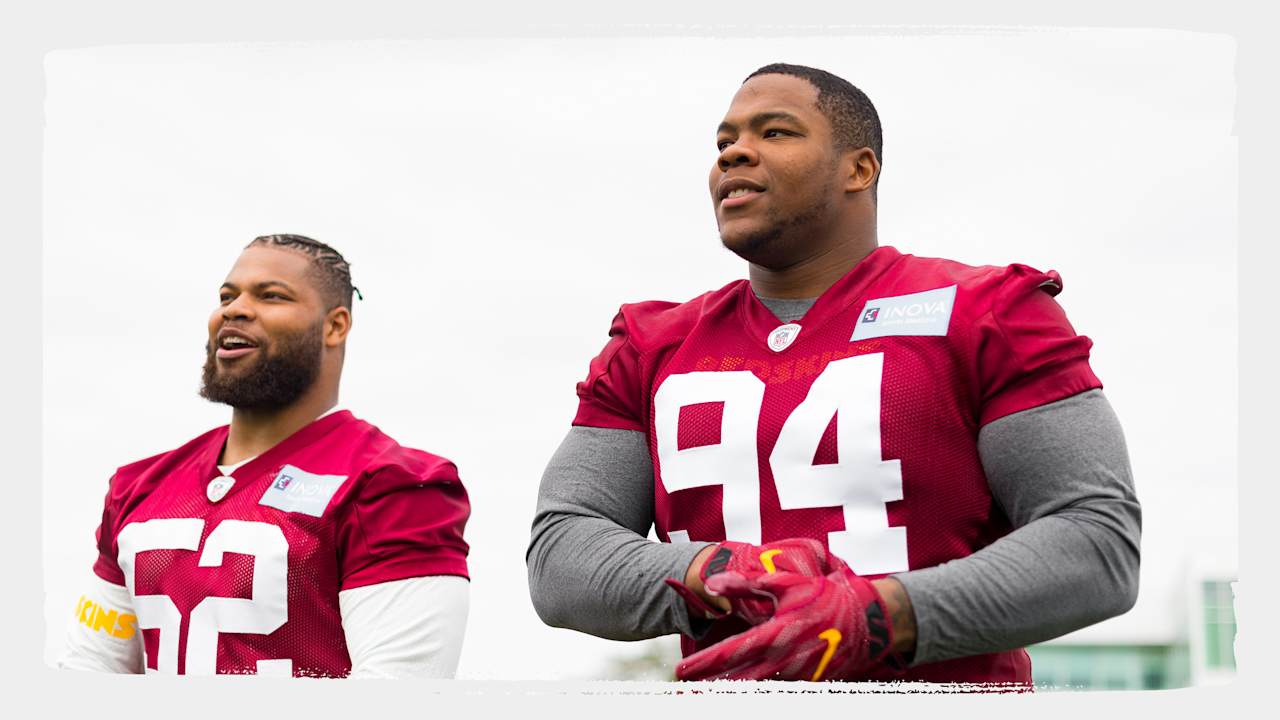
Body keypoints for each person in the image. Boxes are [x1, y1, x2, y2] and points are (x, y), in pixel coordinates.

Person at [527, 64, 1141, 686]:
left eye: (777, 132)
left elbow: (1095, 540)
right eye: (724, 143)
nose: (735, 152)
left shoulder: (988, 310)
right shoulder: (651, 344)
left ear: (859, 169)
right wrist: (712, 573)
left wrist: (879, 617)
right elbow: (560, 551)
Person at [58, 234, 471, 678]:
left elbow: (398, 696)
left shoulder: (392, 485)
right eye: (226, 296)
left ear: (335, 326)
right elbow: (88, 674)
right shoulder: (140, 485)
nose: (234, 309)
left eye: (272, 296)